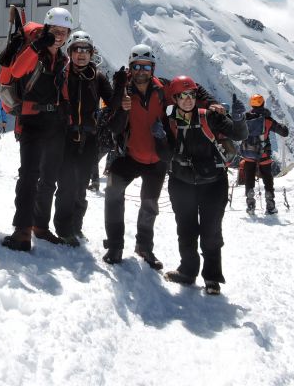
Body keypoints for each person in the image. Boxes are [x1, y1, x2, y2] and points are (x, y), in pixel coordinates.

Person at [102, 45, 224, 268]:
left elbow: (192, 88)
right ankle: (115, 245)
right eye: (137, 66)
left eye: (146, 67)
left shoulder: (163, 89)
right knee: (112, 194)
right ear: (130, 68)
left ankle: (144, 246)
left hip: (157, 160)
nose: (141, 71)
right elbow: (113, 127)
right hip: (126, 156)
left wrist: (211, 102)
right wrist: (121, 107)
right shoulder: (122, 92)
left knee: (149, 205)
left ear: (153, 69)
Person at [161, 76, 248, 295]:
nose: (188, 100)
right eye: (183, 96)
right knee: (186, 230)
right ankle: (188, 271)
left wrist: (239, 120)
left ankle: (211, 277)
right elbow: (164, 149)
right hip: (182, 184)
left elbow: (238, 134)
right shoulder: (169, 121)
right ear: (175, 99)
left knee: (211, 232)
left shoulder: (209, 116)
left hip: (213, 184)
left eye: (191, 95)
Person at [0, 7, 73, 252]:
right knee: (29, 176)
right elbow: (18, 71)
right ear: (46, 29)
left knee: (49, 178)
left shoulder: (62, 59)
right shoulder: (36, 52)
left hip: (55, 124)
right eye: (55, 30)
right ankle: (22, 231)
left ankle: (40, 226)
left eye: (63, 32)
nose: (59, 36)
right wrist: (36, 46)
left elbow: (63, 90)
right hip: (31, 120)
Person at [51, 30, 112, 246]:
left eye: (86, 50)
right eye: (77, 50)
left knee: (81, 186)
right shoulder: (61, 73)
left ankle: (76, 226)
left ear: (91, 53)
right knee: (66, 185)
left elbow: (112, 102)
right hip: (65, 137)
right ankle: (63, 228)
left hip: (89, 138)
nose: (81, 54)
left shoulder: (98, 77)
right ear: (70, 52)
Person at [241, 94, 290, 215]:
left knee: (249, 179)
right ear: (263, 103)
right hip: (263, 155)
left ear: (251, 104)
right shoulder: (267, 120)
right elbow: (284, 132)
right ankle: (270, 204)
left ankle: (250, 203)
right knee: (268, 179)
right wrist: (284, 126)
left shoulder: (245, 118)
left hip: (248, 154)